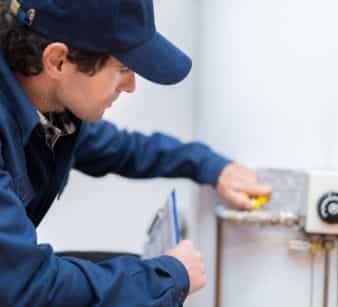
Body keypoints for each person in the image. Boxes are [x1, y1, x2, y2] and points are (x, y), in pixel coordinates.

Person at [0, 0, 272, 306]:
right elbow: (26, 286)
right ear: (58, 61)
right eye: (123, 69)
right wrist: (169, 277)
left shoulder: (51, 111)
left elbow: (121, 148)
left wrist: (210, 166)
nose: (130, 86)